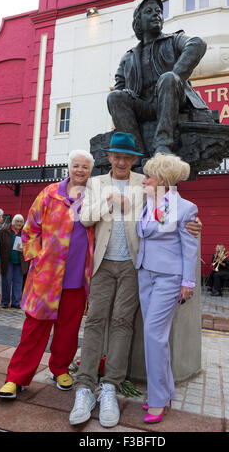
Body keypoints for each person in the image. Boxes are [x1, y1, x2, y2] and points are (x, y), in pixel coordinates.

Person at [69, 132, 201, 428]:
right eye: (115, 156)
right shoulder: (95, 183)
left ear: (133, 160)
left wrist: (194, 224)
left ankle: (112, 388)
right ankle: (85, 386)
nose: (120, 161)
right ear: (109, 157)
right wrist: (109, 202)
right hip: (110, 266)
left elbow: (176, 214)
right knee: (95, 322)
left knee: (125, 325)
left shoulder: (146, 183)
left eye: (126, 157)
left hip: (136, 266)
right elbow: (84, 217)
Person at [0, 150, 95, 399]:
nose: (80, 170)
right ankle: (16, 377)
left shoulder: (95, 197)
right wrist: (36, 258)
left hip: (77, 278)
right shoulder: (50, 194)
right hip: (46, 277)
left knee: (68, 330)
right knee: (34, 328)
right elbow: (31, 229)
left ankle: (60, 368)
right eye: (76, 166)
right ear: (69, 167)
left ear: (90, 170)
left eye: (85, 167)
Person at [136, 153, 199, 423]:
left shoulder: (185, 208)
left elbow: (190, 247)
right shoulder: (146, 204)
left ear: (161, 180)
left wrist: (187, 282)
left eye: (148, 176)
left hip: (168, 279)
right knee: (156, 337)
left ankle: (158, 399)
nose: (144, 181)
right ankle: (165, 391)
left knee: (153, 335)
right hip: (145, 274)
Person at [107, 0, 210, 155]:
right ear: (138, 21)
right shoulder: (128, 57)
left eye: (159, 11)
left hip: (173, 98)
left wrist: (175, 77)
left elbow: (198, 44)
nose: (157, 14)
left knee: (168, 79)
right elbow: (119, 90)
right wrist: (126, 94)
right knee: (114, 97)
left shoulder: (173, 39)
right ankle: (136, 152)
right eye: (149, 11)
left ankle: (163, 145)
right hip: (145, 106)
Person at [0, 214, 29, 309]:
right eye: (17, 221)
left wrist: (24, 249)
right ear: (13, 222)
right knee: (6, 281)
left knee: (18, 282)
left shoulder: (26, 232)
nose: (19, 223)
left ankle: (16, 302)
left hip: (20, 262)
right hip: (7, 261)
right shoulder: (5, 231)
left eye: (21, 222)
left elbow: (30, 245)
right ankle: (5, 302)